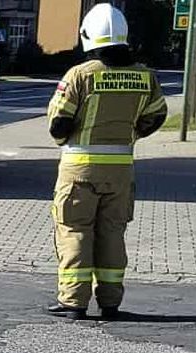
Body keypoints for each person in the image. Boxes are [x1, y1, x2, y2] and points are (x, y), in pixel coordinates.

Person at [44, 4, 168, 321]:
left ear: (89, 37)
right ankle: (111, 301)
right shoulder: (145, 76)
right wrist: (131, 135)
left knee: (75, 232)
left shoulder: (81, 75)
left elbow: (58, 122)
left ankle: (73, 302)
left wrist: (67, 140)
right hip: (120, 171)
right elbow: (157, 116)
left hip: (79, 170)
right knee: (113, 233)